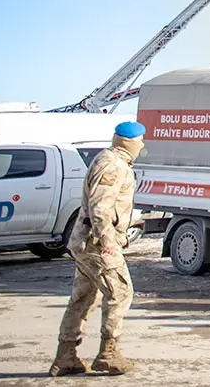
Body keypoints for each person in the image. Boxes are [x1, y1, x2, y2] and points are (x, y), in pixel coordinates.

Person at [49, 121, 146, 377]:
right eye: (140, 141)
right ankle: (108, 354)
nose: (142, 146)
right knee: (121, 292)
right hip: (96, 244)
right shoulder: (112, 165)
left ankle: (65, 356)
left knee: (83, 297)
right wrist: (108, 242)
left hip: (86, 242)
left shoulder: (110, 160)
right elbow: (100, 207)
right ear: (129, 142)